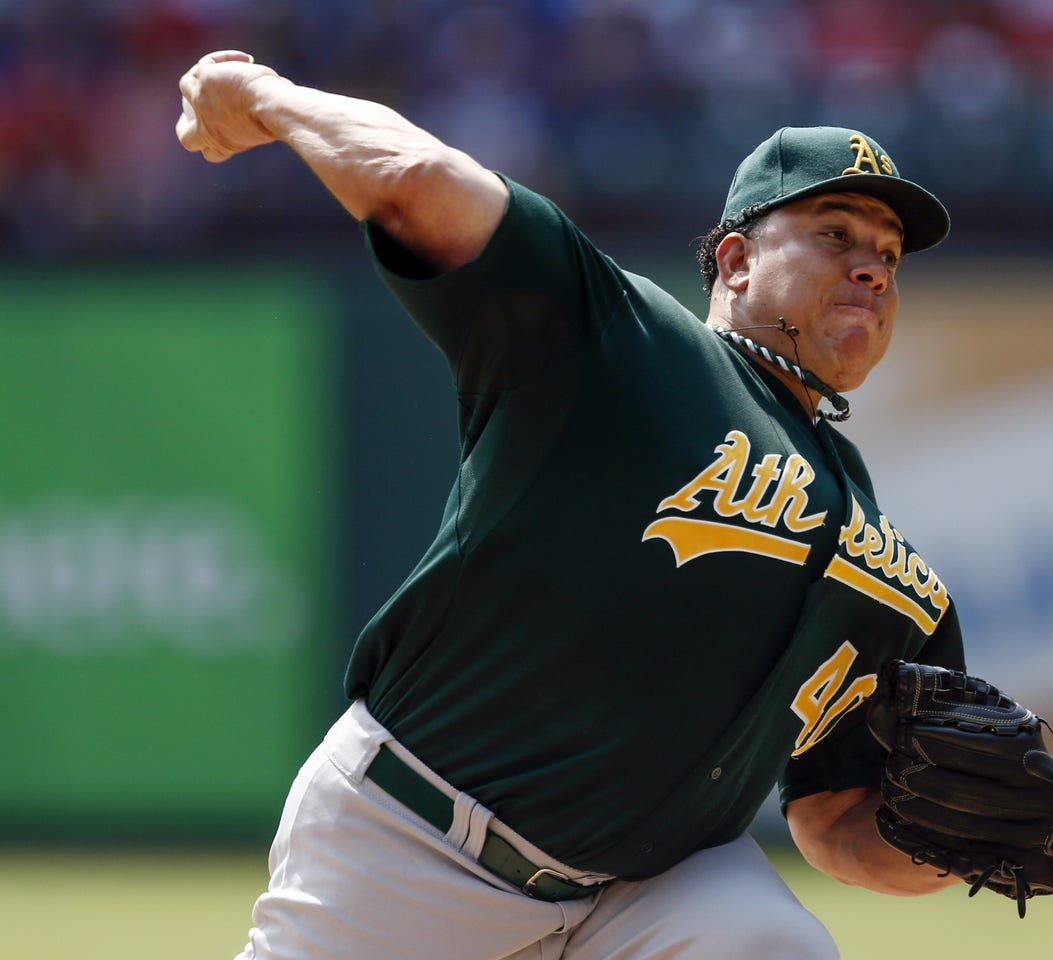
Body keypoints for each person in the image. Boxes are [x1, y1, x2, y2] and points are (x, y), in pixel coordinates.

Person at [178, 49, 965, 960]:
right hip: (415, 846)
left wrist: (940, 848)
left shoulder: (880, 552)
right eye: (837, 233)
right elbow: (418, 180)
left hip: (654, 885)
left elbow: (833, 814)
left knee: (772, 946)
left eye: (889, 256)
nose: (871, 268)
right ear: (738, 260)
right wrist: (265, 97)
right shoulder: (620, 337)